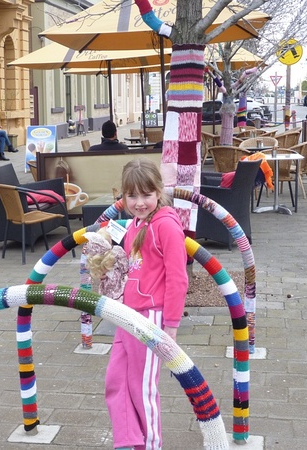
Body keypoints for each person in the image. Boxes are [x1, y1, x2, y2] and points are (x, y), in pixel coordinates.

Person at [104, 157, 188, 450]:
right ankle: (129, 440)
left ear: (158, 192)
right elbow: (129, 266)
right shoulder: (133, 225)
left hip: (152, 317)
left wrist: (172, 326)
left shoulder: (166, 226)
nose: (139, 202)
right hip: (127, 315)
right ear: (123, 195)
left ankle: (151, 445)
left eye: (146, 195)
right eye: (132, 195)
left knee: (143, 388)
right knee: (116, 380)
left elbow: (178, 278)